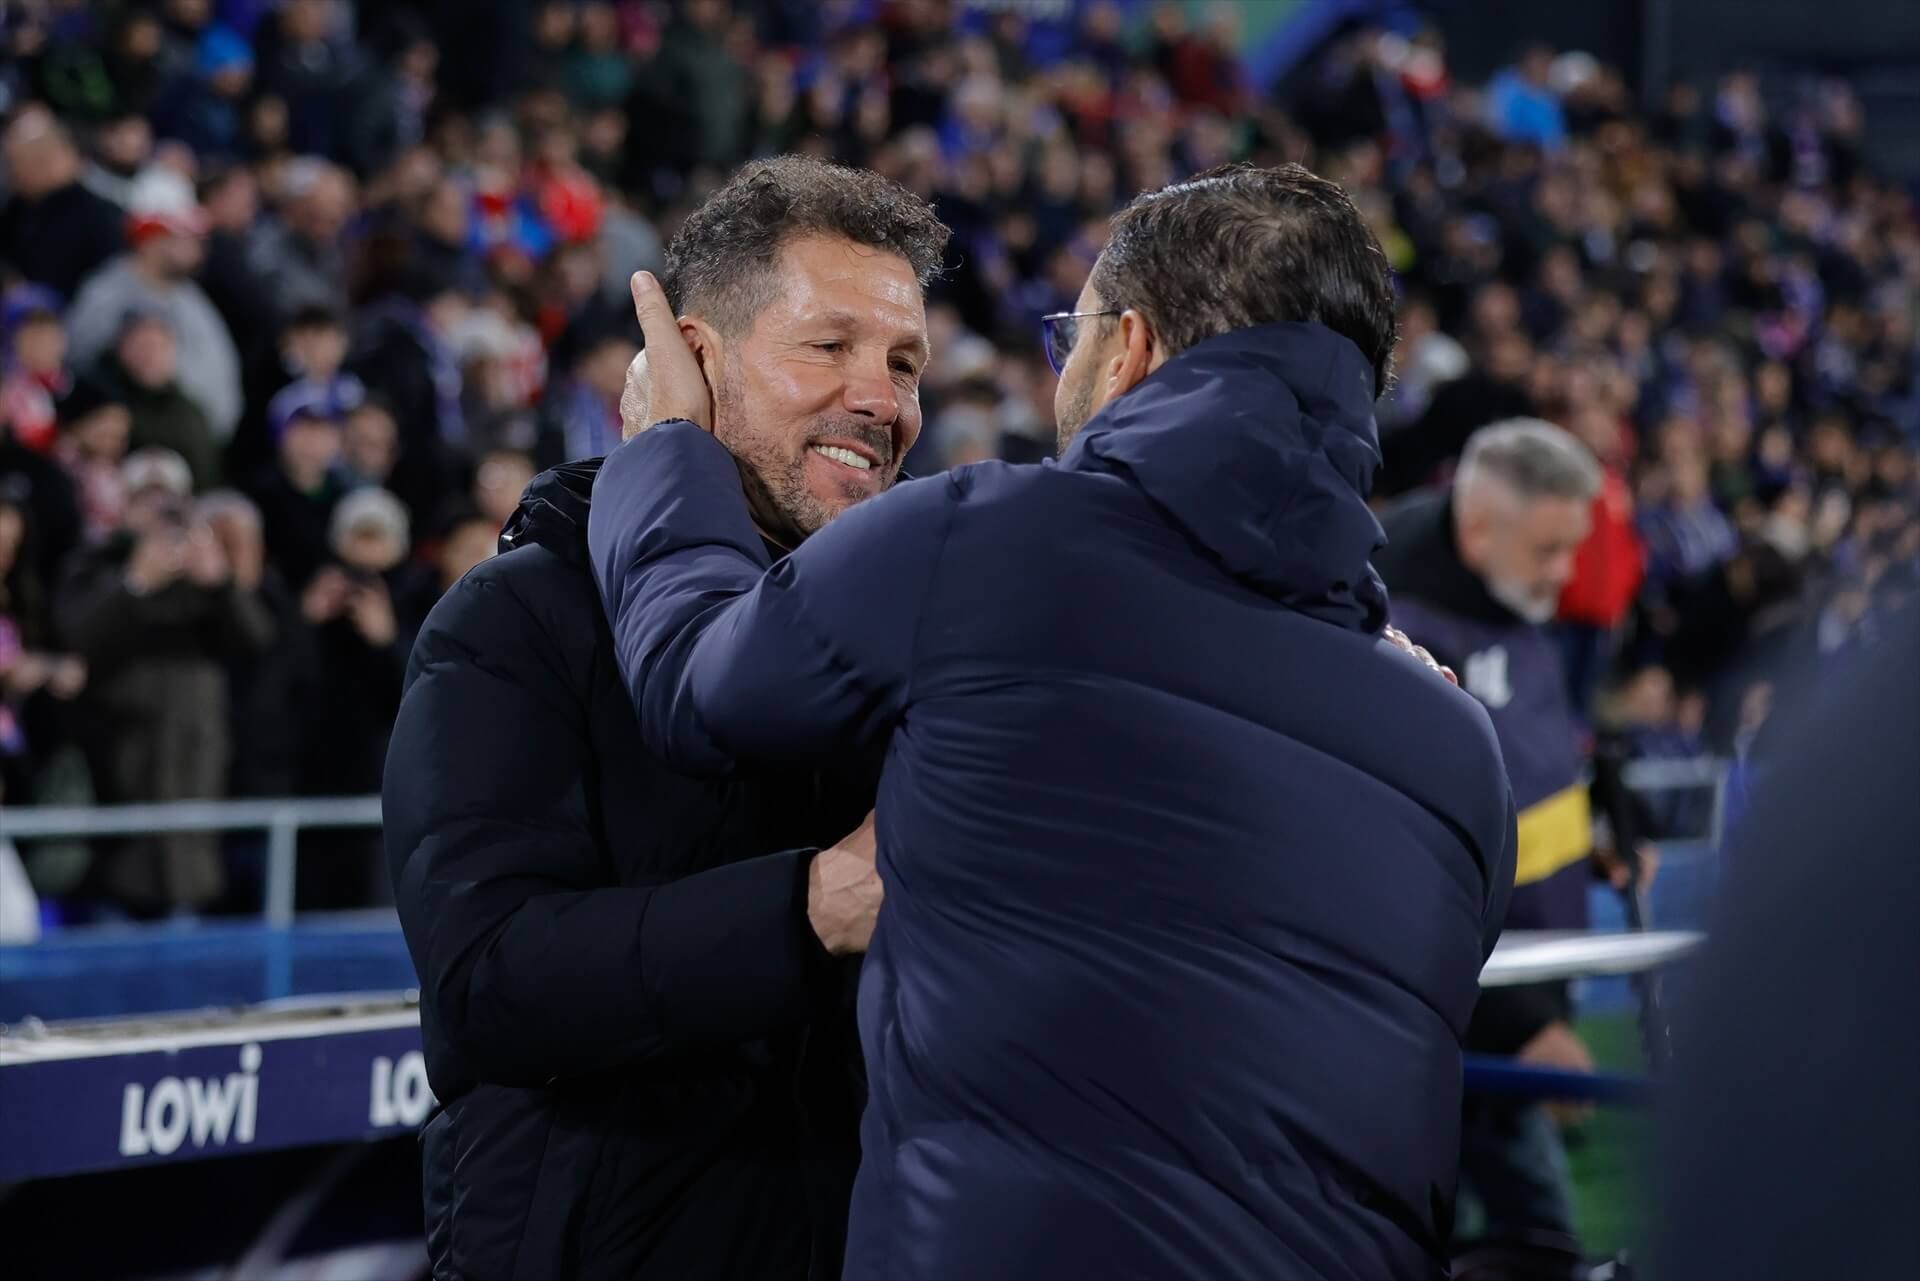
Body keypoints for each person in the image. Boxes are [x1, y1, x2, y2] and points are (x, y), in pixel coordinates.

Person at [591, 163, 1516, 1280]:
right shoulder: (1457, 747)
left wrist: (663, 452)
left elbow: (694, 681)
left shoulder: (984, 543)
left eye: (1066, 339)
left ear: (1126, 347)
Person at [383, 156, 949, 1280]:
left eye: (902, 362)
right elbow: (487, 982)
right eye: (827, 347)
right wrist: (808, 910)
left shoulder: (908, 637)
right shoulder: (521, 614)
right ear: (690, 361)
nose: (881, 399)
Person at [1372, 420, 1612, 1256]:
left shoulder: (1500, 597)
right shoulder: (1397, 630)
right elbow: (1398, 874)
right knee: (1532, 1241)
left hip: (1500, 1007)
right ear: (1478, 528)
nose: (1563, 575)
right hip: (1458, 1030)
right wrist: (1519, 1022)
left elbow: (1533, 762)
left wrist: (1603, 826)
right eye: (1549, 549)